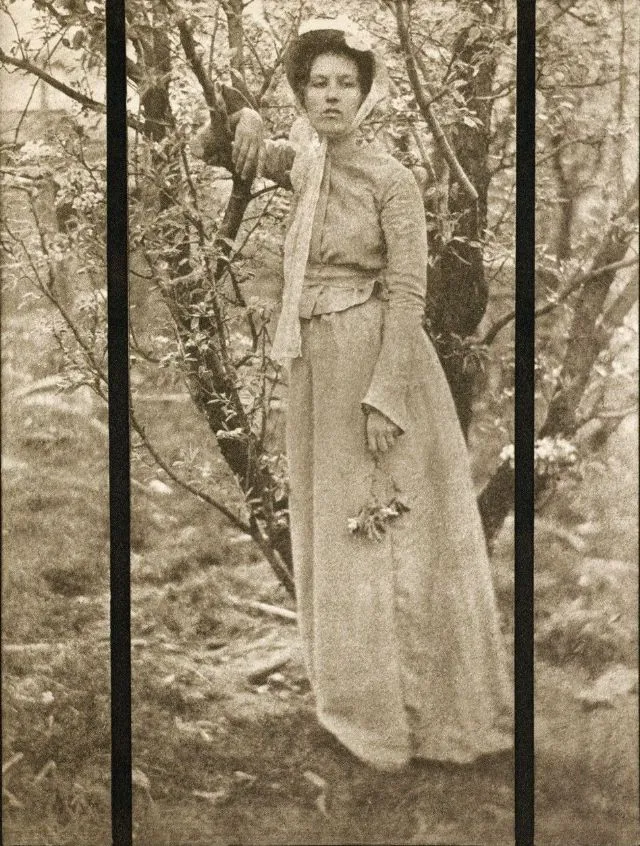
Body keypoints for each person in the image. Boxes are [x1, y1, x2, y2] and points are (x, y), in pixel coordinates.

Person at [196, 16, 513, 771]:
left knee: (391, 535)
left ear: (367, 94)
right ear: (302, 93)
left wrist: (386, 397)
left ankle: (424, 715)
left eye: (346, 83)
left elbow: (408, 293)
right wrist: (239, 113)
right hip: (316, 367)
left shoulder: (390, 179)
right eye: (317, 83)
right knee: (340, 536)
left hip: (377, 367)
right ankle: (359, 708)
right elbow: (216, 145)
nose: (331, 96)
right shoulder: (302, 164)